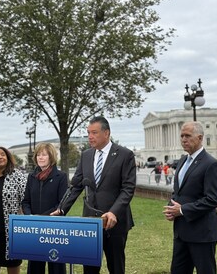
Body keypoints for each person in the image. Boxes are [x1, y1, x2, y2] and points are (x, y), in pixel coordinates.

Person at [51, 116, 136, 274]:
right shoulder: (86, 155)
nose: (90, 136)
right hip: (89, 223)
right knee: (89, 268)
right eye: (88, 132)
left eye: (94, 132)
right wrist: (62, 209)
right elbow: (77, 186)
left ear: (106, 133)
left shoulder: (125, 155)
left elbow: (128, 189)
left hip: (114, 222)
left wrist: (113, 212)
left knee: (116, 267)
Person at [163, 121, 217, 274]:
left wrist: (183, 210)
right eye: (182, 136)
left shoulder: (211, 164)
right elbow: (179, 192)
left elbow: (213, 199)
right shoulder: (183, 160)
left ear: (200, 138)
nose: (183, 139)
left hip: (202, 233)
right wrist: (171, 208)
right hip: (181, 231)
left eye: (188, 136)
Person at [22, 143, 68, 274]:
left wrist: (44, 218)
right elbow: (26, 201)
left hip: (54, 228)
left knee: (56, 266)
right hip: (34, 228)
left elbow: (62, 203)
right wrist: (30, 216)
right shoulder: (31, 177)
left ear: (51, 157)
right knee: (35, 266)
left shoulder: (61, 177)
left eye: (44, 155)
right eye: (38, 155)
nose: (40, 157)